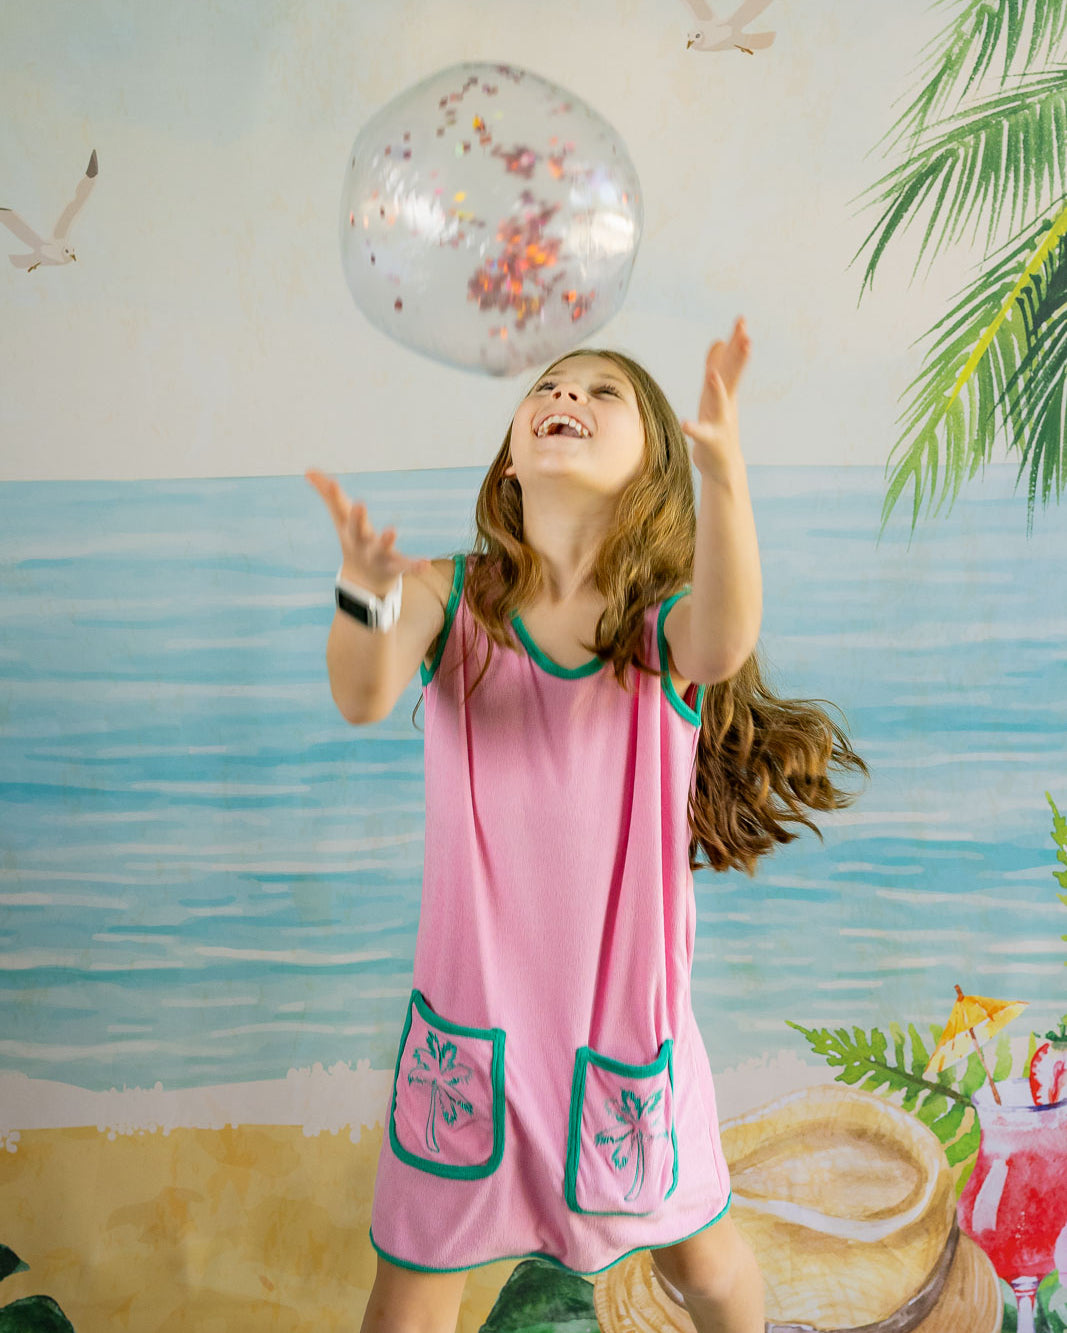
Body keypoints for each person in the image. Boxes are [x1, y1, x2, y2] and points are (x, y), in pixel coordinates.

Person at [306, 320, 868, 1333]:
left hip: (621, 1032)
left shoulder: (661, 626)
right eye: (550, 385)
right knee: (409, 1300)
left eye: (603, 392)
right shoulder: (445, 593)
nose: (565, 394)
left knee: (704, 1265)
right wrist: (361, 592)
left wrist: (724, 470)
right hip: (468, 1037)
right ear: (510, 459)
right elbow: (361, 693)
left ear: (651, 468)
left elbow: (725, 635)